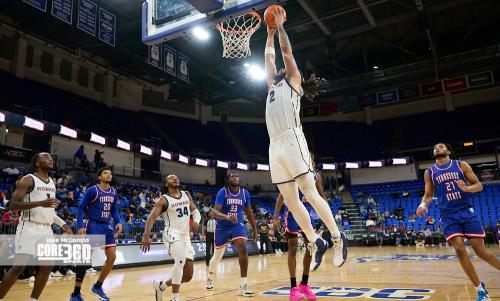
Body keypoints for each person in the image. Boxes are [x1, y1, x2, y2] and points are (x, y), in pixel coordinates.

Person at [264, 7, 346, 270]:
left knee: (309, 193)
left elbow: (286, 53)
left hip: (292, 139)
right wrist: (268, 33)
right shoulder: (272, 86)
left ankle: (337, 237)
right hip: (274, 144)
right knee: (290, 199)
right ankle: (314, 240)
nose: (276, 70)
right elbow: (269, 61)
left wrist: (281, 27)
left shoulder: (293, 81)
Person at [417, 143, 500, 301]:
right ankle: (479, 289)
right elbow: (428, 195)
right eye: (435, 147)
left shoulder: (460, 164)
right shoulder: (430, 172)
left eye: (441, 146)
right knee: (460, 250)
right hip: (448, 215)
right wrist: (422, 205)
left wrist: (467, 189)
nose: (438, 148)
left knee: (481, 252)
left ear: (448, 151)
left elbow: (479, 185)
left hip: (466, 212)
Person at [0, 153, 72, 301]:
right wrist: (40, 203)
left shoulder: (52, 182)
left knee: (47, 266)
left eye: (51, 157)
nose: (50, 159)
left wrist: (63, 224)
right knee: (19, 267)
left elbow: (48, 210)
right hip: (29, 227)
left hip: (46, 229)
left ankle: (33, 300)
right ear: (37, 163)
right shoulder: (28, 179)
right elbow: (12, 206)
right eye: (46, 157)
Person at [141, 175, 200, 301]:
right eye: (171, 178)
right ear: (166, 184)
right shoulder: (163, 200)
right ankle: (175, 298)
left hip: (185, 237)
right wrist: (146, 236)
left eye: (176, 177)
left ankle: (161, 286)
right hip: (171, 233)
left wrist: (196, 222)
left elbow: (195, 211)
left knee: (188, 275)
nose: (175, 178)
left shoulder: (186, 194)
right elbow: (151, 218)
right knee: (179, 259)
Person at [273, 162, 327, 301]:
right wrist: (275, 217)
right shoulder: (293, 174)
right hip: (292, 215)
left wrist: (327, 215)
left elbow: (321, 197)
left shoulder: (315, 176)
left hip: (307, 215)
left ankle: (304, 284)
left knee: (310, 249)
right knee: (293, 249)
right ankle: (293, 289)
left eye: (312, 159)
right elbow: (281, 197)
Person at [70, 167, 123, 301]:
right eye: (105, 173)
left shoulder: (113, 192)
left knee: (112, 257)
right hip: (93, 225)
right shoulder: (93, 190)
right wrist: (80, 226)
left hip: (106, 226)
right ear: (99, 176)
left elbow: (114, 209)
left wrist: (118, 221)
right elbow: (81, 208)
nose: (109, 175)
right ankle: (75, 294)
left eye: (110, 173)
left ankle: (98, 286)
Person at [206, 172, 258, 297]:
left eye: (237, 176)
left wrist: (255, 230)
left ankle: (243, 285)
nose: (235, 177)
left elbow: (249, 212)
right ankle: (210, 276)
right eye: (232, 176)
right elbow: (214, 212)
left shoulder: (245, 193)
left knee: (243, 247)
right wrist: (227, 217)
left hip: (237, 225)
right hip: (222, 227)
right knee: (217, 257)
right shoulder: (223, 192)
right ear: (228, 180)